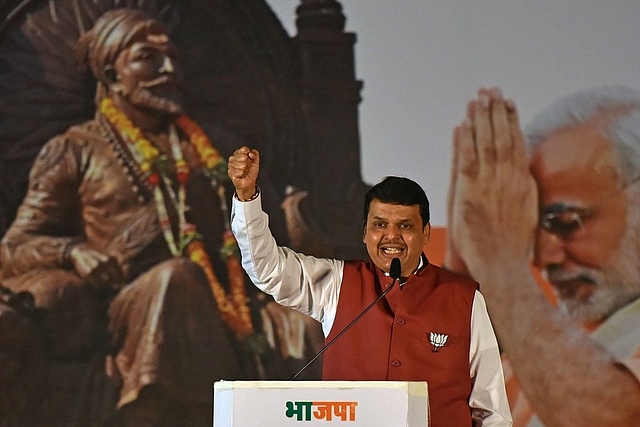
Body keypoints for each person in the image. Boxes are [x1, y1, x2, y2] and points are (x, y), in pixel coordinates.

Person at [0, 8, 321, 427]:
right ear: (112, 74)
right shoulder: (74, 150)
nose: (169, 69)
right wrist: (73, 252)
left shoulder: (216, 149)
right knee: (177, 279)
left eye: (172, 58)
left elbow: (271, 238)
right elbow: (13, 249)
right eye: (148, 59)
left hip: (232, 305)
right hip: (123, 307)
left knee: (320, 314)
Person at [228, 145, 513, 427]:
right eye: (379, 225)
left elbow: (492, 413)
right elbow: (268, 269)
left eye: (405, 226)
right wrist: (246, 198)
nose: (391, 236)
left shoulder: (464, 298)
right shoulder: (336, 283)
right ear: (364, 233)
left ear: (425, 232)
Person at [446, 86, 640, 426]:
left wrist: (499, 265)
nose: (542, 258)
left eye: (565, 223)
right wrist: (461, 270)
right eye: (531, 231)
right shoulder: (550, 348)